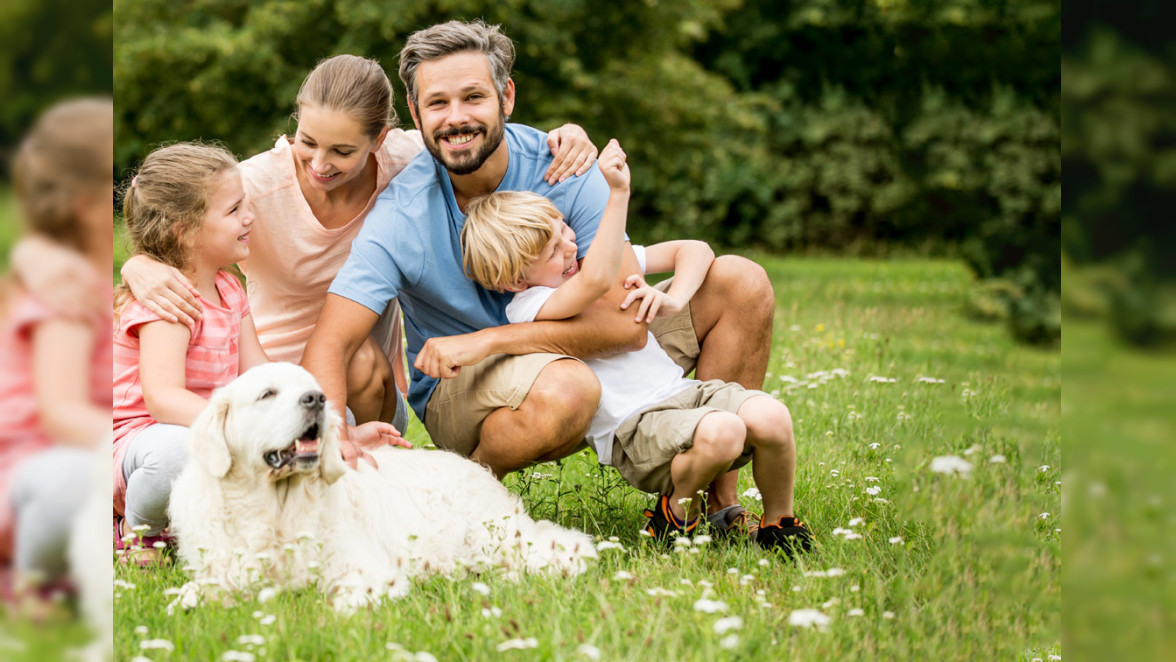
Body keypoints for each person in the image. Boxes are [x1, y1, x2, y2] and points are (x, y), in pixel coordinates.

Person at [302, 20, 778, 538]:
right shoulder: (402, 215)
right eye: (437, 103)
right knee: (569, 386)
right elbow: (330, 342)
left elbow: (626, 330)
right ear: (415, 113)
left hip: (556, 347)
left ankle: (715, 501)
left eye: (473, 97)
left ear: (506, 96)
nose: (456, 118)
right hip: (468, 388)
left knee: (740, 281)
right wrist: (334, 433)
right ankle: (469, 498)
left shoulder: (565, 168)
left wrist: (488, 340)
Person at [13, 54, 597, 435]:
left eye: (343, 152)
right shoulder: (253, 186)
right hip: (258, 371)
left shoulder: (407, 162)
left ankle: (359, 474)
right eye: (307, 141)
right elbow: (172, 211)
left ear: (381, 141)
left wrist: (564, 136)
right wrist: (139, 262)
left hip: (358, 379)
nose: (320, 164)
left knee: (362, 357)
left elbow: (479, 133)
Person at [459, 140, 811, 552]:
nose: (571, 247)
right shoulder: (530, 306)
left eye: (566, 230)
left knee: (774, 417)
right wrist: (617, 195)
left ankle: (779, 525)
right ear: (515, 281)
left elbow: (695, 250)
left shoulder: (588, 264)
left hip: (684, 394)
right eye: (553, 250)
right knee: (725, 431)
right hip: (635, 426)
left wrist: (674, 298)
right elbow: (593, 282)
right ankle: (674, 514)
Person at [111, 143, 408, 565]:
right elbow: (162, 399)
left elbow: (264, 374)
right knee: (178, 452)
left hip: (202, 428)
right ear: (185, 230)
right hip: (143, 443)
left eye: (246, 205)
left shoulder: (229, 289)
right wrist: (237, 430)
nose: (249, 217)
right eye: (234, 211)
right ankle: (138, 531)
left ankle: (201, 517)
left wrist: (331, 431)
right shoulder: (169, 301)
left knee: (293, 430)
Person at [0, 98, 112, 610]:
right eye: (116, 188)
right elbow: (61, 413)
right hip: (36, 464)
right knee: (70, 482)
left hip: (85, 453)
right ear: (85, 205)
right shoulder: (66, 291)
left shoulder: (97, 275)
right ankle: (36, 578)